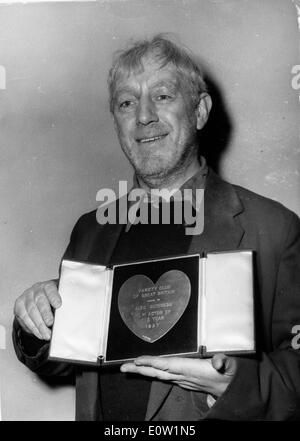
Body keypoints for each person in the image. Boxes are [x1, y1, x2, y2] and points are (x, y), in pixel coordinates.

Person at [13, 34, 300, 421]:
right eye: (126, 102)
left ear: (199, 111)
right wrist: (36, 321)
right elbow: (64, 360)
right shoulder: (91, 230)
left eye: (162, 96)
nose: (143, 115)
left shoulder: (273, 228)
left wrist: (237, 384)